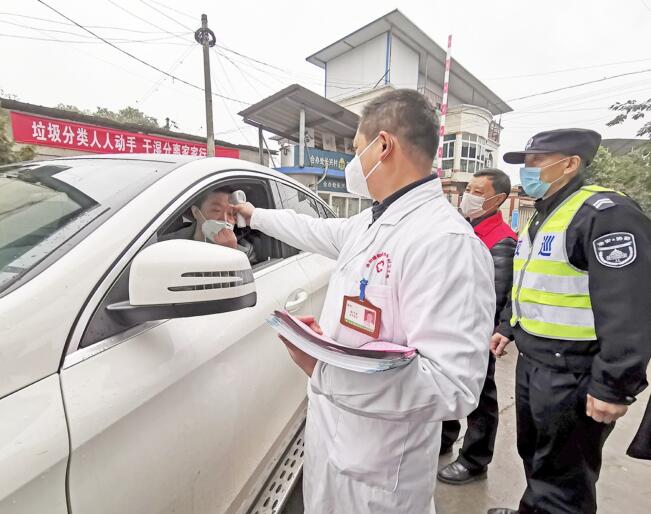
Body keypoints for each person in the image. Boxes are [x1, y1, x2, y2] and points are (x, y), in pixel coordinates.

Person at [234, 89, 496, 513]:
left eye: (356, 150)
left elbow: (454, 386)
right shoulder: (372, 221)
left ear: (384, 145)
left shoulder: (445, 244)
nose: (353, 164)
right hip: (337, 443)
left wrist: (324, 368)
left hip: (380, 471)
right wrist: (250, 214)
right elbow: (310, 229)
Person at [487, 129, 651, 514]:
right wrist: (509, 327)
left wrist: (614, 384)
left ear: (570, 163)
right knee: (537, 456)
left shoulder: (604, 214)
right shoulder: (544, 216)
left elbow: (629, 305)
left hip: (574, 372)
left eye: (535, 162)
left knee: (565, 476)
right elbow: (532, 283)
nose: (526, 172)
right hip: (536, 363)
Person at [438, 168, 517, 485]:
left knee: (481, 395)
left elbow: (494, 298)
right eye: (468, 188)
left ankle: (475, 459)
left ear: (498, 199)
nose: (468, 195)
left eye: (478, 191)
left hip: (475, 333)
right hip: (449, 327)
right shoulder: (463, 229)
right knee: (446, 386)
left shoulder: (502, 242)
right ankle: (444, 438)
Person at [162, 187, 258, 264]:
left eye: (231, 214)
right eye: (216, 210)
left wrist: (230, 253)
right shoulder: (167, 245)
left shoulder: (245, 251)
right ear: (196, 212)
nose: (224, 219)